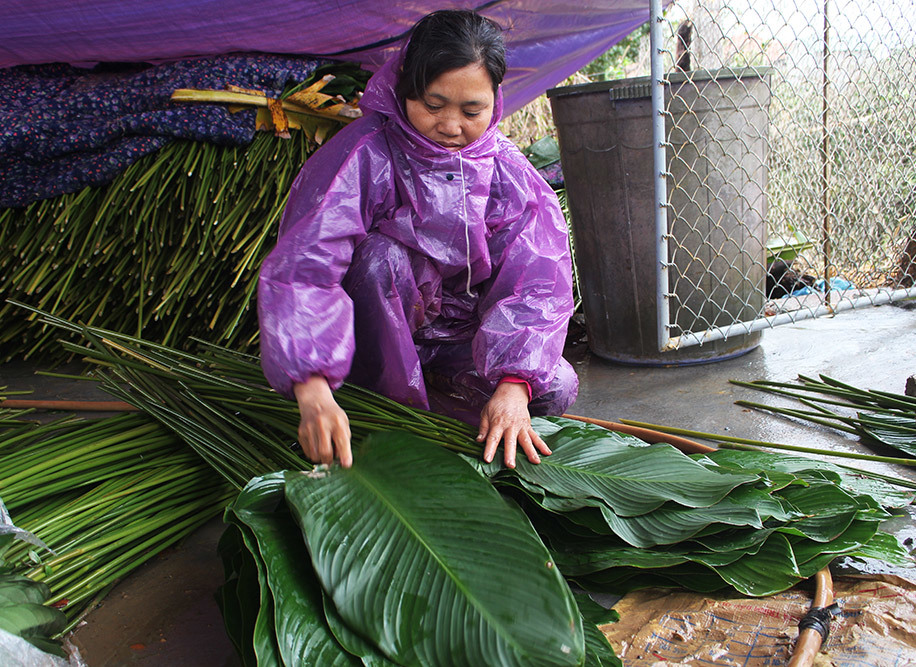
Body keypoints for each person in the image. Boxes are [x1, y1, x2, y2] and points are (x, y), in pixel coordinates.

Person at [257, 9, 578, 470]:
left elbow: (538, 285)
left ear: (496, 99)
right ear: (406, 87)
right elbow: (304, 270)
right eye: (433, 104)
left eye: (472, 111)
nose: (451, 125)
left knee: (556, 387)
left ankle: (443, 411)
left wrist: (512, 388)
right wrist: (311, 390)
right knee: (380, 258)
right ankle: (387, 412)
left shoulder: (508, 172)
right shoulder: (364, 155)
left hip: (460, 345)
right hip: (373, 346)